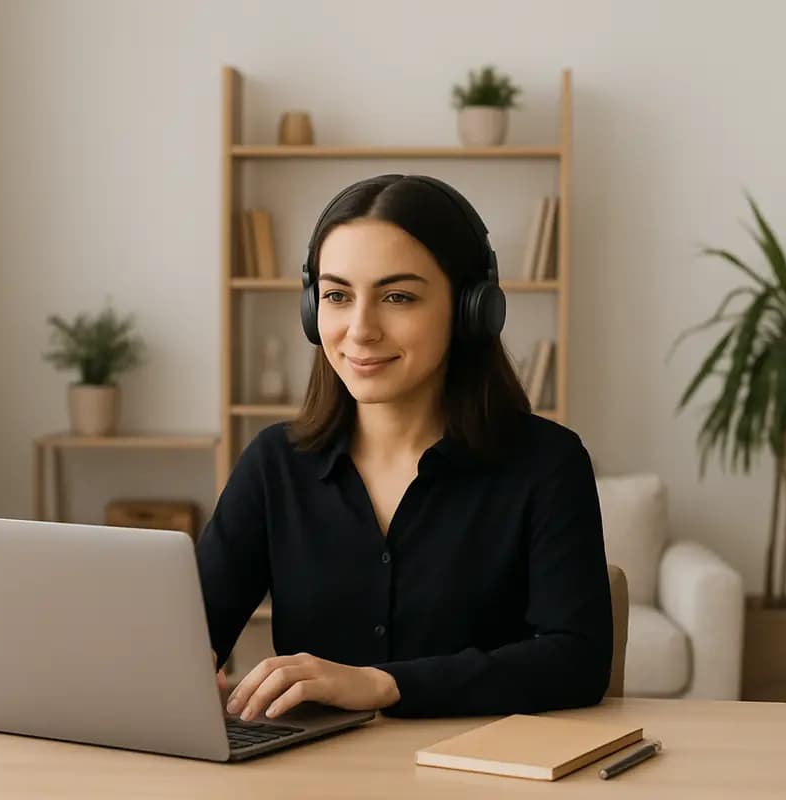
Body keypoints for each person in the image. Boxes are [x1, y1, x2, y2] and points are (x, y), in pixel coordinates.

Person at [198, 174, 612, 721]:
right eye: (337, 296)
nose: (360, 330)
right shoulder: (274, 463)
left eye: (398, 297)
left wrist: (383, 684)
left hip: (483, 773)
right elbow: (192, 632)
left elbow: (576, 660)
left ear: (471, 310)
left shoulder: (547, 464)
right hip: (314, 777)